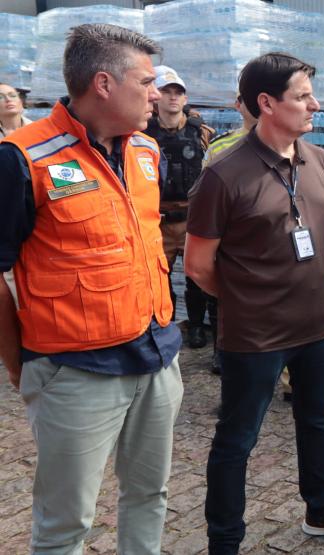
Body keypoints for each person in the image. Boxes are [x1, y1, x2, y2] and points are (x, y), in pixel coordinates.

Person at [0, 23, 183, 553]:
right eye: (146, 82)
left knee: (150, 493)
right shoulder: (21, 158)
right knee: (66, 524)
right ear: (103, 83)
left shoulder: (146, 151)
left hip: (156, 357)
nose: (157, 94)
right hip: (75, 372)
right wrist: (24, 367)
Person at [184, 52, 324, 552]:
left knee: (316, 420)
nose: (317, 104)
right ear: (266, 103)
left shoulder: (318, 161)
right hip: (256, 336)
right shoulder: (223, 175)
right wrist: (247, 300)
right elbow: (197, 264)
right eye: (303, 96)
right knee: (237, 440)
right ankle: (225, 541)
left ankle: (322, 510)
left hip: (318, 326)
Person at [146, 65, 217, 360]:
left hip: (192, 218)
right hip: (158, 220)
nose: (173, 97)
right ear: (156, 97)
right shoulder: (142, 134)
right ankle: (167, 326)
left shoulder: (202, 133)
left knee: (197, 277)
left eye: (178, 92)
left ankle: (198, 327)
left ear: (185, 99)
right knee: (159, 280)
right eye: (167, 91)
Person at [0, 82, 32, 308]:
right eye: (1, 97)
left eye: (12, 95)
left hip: (33, 207)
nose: (8, 99)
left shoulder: (40, 132)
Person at [204, 93, 257, 166]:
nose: (261, 103)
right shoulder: (219, 146)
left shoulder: (277, 143)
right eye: (253, 98)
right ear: (238, 105)